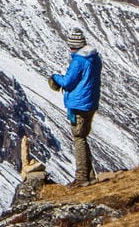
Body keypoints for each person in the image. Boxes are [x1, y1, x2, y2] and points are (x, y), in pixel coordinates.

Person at [46, 27, 101, 185]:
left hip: (79, 104)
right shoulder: (95, 58)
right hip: (90, 102)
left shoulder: (78, 61)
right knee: (83, 136)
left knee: (79, 138)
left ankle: (82, 177)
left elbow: (68, 82)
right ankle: (90, 175)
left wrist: (55, 77)